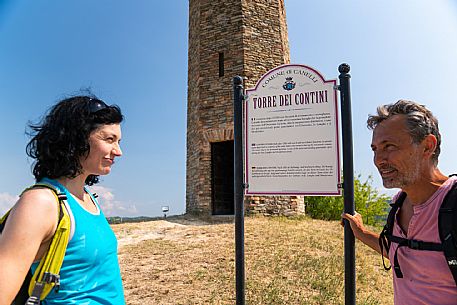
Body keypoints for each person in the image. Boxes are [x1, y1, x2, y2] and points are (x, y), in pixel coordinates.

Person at [0, 95, 126, 304]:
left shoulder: (88, 199)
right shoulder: (41, 202)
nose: (118, 151)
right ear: (77, 138)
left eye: (118, 141)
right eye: (109, 139)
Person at [342, 100, 457, 304]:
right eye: (375, 149)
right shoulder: (398, 202)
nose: (378, 159)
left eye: (389, 146)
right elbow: (402, 254)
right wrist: (361, 233)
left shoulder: (453, 203)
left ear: (427, 146)